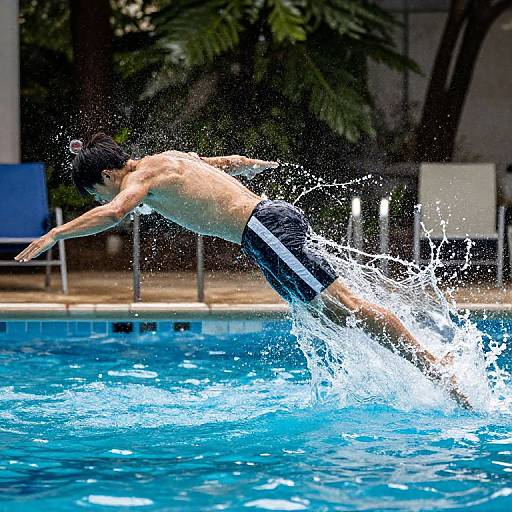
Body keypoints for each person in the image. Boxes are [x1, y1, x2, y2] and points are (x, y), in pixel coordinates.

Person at [15, 133, 470, 408]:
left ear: (109, 175)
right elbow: (220, 165)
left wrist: (56, 235)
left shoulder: (139, 181)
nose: (100, 200)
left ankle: (435, 365)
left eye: (95, 192)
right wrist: (244, 164)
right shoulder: (164, 158)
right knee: (329, 316)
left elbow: (114, 213)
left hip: (262, 227)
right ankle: (410, 372)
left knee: (345, 305)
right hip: (263, 231)